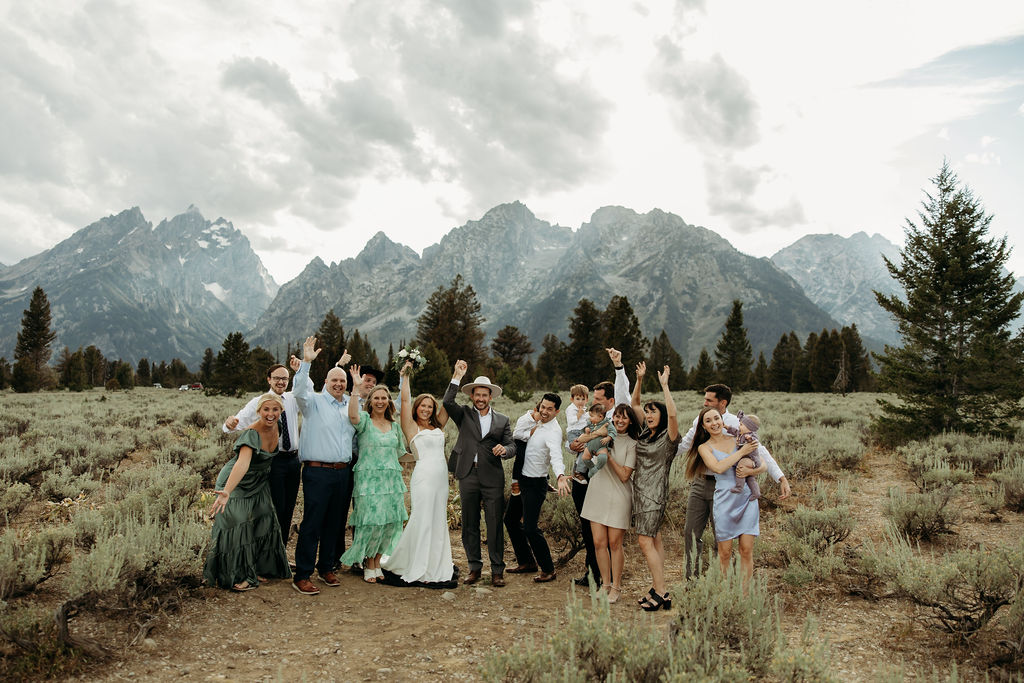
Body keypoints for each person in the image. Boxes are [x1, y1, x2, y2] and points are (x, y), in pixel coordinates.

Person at [678, 384, 791, 579]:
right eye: (708, 419)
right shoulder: (701, 424)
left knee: (729, 544)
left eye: (709, 401)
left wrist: (779, 476)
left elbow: (759, 452)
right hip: (705, 483)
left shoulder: (735, 427)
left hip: (735, 489)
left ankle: (732, 588)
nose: (704, 403)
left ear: (722, 404)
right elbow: (685, 444)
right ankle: (693, 581)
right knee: (694, 534)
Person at [204, 393, 291, 591]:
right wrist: (227, 491)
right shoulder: (251, 434)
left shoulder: (279, 426)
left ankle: (260, 568)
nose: (270, 414)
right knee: (238, 524)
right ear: (258, 411)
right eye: (266, 410)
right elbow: (242, 464)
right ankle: (238, 575)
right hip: (236, 482)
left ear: (281, 411)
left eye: (275, 409)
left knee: (264, 520)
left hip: (259, 481)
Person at [379, 361, 455, 585]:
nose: (426, 409)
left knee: (438, 518)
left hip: (441, 478)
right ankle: (416, 563)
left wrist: (456, 377)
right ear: (416, 408)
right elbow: (403, 400)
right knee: (421, 517)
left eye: (430, 406)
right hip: (423, 477)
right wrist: (405, 376)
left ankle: (435, 564)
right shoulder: (411, 427)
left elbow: (448, 403)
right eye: (423, 406)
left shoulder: (438, 426)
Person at [290, 337, 355, 596]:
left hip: (343, 472)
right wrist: (306, 363)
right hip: (317, 471)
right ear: (326, 382)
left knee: (335, 522)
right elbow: (298, 392)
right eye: (334, 380)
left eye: (342, 381)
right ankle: (302, 574)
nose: (339, 384)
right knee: (313, 522)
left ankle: (326, 566)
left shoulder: (349, 405)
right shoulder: (313, 403)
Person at [443, 360, 516, 587]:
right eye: (477, 395)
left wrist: (505, 450)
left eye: (485, 395)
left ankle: (497, 571)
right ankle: (474, 567)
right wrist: (457, 376)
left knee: (494, 524)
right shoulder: (463, 414)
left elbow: (512, 445)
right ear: (472, 396)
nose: (481, 398)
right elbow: (446, 401)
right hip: (467, 475)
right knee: (469, 524)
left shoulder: (502, 420)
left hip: (493, 478)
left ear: (490, 397)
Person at [566, 349, 630, 587]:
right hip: (582, 476)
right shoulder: (590, 416)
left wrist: (618, 367)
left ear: (611, 402)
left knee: (605, 530)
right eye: (593, 401)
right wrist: (574, 445)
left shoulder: (615, 416)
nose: (594, 405)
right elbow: (574, 440)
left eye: (599, 401)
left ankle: (609, 577)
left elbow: (624, 391)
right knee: (587, 527)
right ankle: (592, 573)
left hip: (604, 480)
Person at [222, 359, 302, 549]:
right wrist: (229, 424)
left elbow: (307, 388)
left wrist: (302, 368)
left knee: (289, 509)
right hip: (274, 462)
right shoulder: (259, 402)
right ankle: (268, 553)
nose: (281, 382)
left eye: (285, 378)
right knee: (275, 509)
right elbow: (237, 423)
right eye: (277, 378)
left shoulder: (293, 398)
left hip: (294, 460)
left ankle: (280, 553)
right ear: (269, 380)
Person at [342, 364, 408, 583]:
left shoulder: (394, 426)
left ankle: (377, 561)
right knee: (370, 522)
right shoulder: (364, 421)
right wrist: (355, 387)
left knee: (389, 523)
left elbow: (400, 454)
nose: (380, 401)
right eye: (376, 398)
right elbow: (352, 416)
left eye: (384, 398)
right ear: (370, 402)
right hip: (368, 481)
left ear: (389, 402)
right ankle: (367, 562)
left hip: (391, 482)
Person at [685, 407, 762, 583]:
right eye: (708, 421)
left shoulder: (739, 438)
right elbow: (718, 468)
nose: (714, 423)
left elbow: (763, 463)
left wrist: (752, 469)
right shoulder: (704, 448)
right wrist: (742, 452)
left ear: (723, 419)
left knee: (746, 550)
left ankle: (744, 597)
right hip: (725, 501)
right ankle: (725, 595)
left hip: (746, 498)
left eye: (716, 418)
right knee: (725, 553)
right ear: (703, 427)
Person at [630, 362, 681, 611]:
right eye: (648, 413)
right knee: (655, 540)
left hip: (653, 496)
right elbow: (635, 405)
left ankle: (660, 592)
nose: (649, 415)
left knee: (644, 542)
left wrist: (665, 386)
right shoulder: (644, 433)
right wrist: (639, 380)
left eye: (653, 412)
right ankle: (658, 587)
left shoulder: (668, 438)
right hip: (639, 494)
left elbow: (672, 415)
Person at [580, 404, 640, 604]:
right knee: (598, 542)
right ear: (611, 418)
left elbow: (624, 475)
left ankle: (616, 586)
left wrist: (609, 456)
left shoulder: (632, 444)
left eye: (624, 418)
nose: (620, 421)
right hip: (597, 492)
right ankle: (605, 584)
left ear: (630, 420)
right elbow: (585, 454)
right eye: (617, 417)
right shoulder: (600, 435)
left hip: (619, 495)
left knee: (615, 543)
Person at [511, 393, 571, 583]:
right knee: (510, 520)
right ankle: (527, 562)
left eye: (549, 409)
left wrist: (560, 475)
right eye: (542, 407)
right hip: (521, 479)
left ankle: (548, 569)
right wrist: (532, 417)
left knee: (529, 527)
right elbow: (516, 433)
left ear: (557, 411)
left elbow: (556, 456)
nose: (544, 411)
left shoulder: (553, 432)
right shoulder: (534, 421)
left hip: (536, 484)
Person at [568, 403, 614, 482]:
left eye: (598, 399)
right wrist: (572, 445)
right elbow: (578, 435)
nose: (594, 401)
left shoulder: (611, 421)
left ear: (610, 401)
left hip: (602, 467)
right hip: (588, 456)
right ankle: (579, 472)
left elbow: (610, 433)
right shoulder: (591, 418)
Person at [728, 413, 761, 500]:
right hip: (746, 458)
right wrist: (727, 427)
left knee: (741, 466)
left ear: (750, 427)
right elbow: (734, 431)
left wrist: (749, 439)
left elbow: (754, 440)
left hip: (752, 459)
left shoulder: (752, 435)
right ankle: (756, 492)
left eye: (741, 425)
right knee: (750, 478)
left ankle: (739, 487)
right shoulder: (741, 433)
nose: (739, 426)